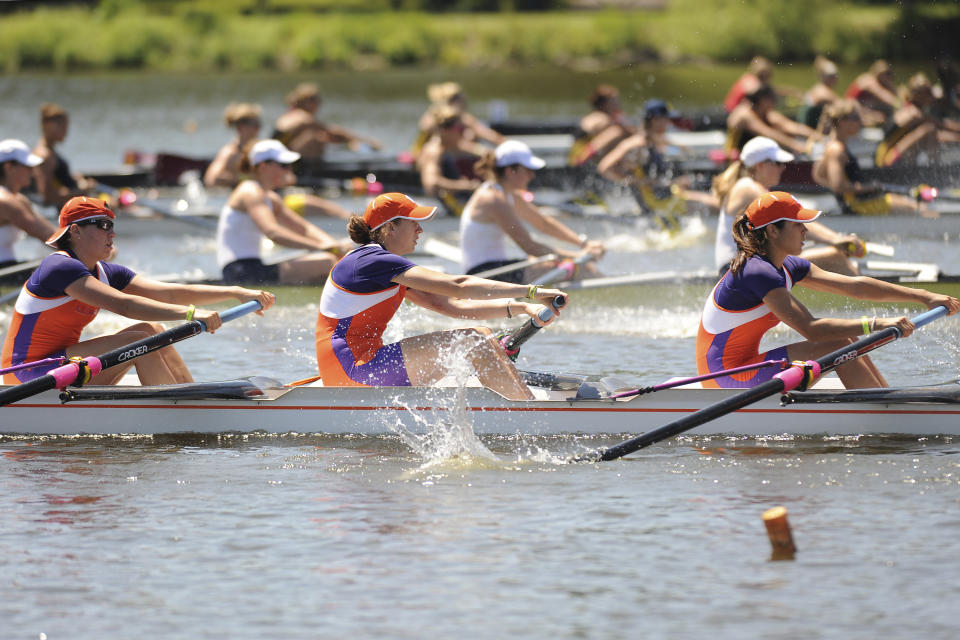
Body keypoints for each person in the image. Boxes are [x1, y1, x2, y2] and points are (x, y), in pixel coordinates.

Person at [315, 192, 567, 401]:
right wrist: (533, 291)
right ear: (390, 227)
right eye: (413, 222)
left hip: (353, 368)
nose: (420, 229)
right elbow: (458, 285)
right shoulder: (372, 262)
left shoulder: (381, 266)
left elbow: (450, 305)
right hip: (354, 373)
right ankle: (532, 417)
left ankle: (519, 406)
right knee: (475, 341)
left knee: (483, 338)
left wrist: (523, 308)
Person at [697, 191, 959, 389]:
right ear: (773, 231)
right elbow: (811, 328)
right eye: (798, 224)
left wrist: (924, 296)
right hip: (723, 378)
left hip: (749, 364)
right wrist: (878, 323)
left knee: (847, 341)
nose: (806, 230)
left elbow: (857, 287)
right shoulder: (757, 271)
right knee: (834, 343)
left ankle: (885, 398)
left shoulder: (787, 265)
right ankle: (880, 413)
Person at [1, 196, 275, 386]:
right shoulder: (58, 266)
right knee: (138, 342)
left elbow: (169, 293)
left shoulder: (107, 272)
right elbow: (125, 306)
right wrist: (191, 314)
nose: (112, 233)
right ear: (75, 231)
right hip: (27, 374)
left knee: (149, 330)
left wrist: (235, 291)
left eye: (113, 225)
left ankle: (188, 397)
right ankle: (175, 414)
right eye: (103, 224)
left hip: (60, 364)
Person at [458, 140, 605, 283]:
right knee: (578, 267)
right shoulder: (493, 199)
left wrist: (583, 244)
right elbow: (529, 246)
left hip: (497, 268)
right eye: (527, 170)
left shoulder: (507, 194)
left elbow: (543, 223)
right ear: (510, 171)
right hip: (482, 276)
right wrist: (577, 257)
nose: (532, 176)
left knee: (574, 266)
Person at [713, 136, 860, 277]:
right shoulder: (747, 187)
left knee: (820, 254)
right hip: (735, 269)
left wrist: (831, 240)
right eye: (777, 163)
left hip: (747, 266)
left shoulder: (749, 187)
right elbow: (793, 221)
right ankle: (867, 297)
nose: (783, 168)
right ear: (760, 166)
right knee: (835, 257)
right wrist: (836, 239)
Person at [216, 139, 353, 285]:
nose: (289, 170)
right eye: (284, 165)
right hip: (239, 272)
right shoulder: (250, 191)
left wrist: (333, 245)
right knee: (327, 262)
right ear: (263, 167)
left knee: (334, 258)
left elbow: (304, 228)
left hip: (254, 267)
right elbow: (273, 232)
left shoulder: (270, 198)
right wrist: (321, 247)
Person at [205, 102, 351, 219]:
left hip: (273, 198)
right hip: (249, 204)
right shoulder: (230, 152)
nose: (258, 128)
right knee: (322, 208)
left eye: (259, 124)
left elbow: (290, 178)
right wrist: (247, 178)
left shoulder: (260, 147)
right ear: (241, 127)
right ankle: (354, 228)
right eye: (255, 124)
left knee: (328, 207)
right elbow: (211, 180)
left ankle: (354, 222)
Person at [597, 99, 717, 216]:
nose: (669, 123)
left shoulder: (652, 139)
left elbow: (664, 142)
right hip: (656, 204)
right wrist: (637, 181)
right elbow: (604, 168)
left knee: (713, 199)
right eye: (667, 119)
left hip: (666, 195)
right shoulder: (636, 144)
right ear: (655, 120)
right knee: (716, 205)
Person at [812, 99, 930, 216]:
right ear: (842, 122)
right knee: (920, 208)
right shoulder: (837, 150)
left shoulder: (832, 146)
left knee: (911, 203)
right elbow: (838, 186)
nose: (860, 122)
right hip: (858, 206)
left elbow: (817, 174)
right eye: (856, 118)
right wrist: (868, 187)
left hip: (860, 202)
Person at [273, 82, 382, 161]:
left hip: (283, 155)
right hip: (284, 161)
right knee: (317, 138)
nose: (318, 103)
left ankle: (355, 150)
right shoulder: (301, 116)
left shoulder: (291, 114)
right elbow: (334, 131)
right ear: (303, 101)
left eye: (318, 99)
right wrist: (368, 141)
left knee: (321, 136)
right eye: (314, 99)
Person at [873, 73, 960, 167]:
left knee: (931, 133)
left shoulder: (910, 109)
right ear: (916, 95)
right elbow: (943, 125)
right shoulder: (913, 113)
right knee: (929, 130)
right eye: (927, 91)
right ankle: (934, 168)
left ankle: (933, 167)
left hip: (889, 158)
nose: (931, 95)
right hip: (887, 161)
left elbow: (940, 136)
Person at [0, 139, 57, 272]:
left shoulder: (19, 199)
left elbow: (50, 231)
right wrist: (89, 249)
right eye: (28, 167)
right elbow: (47, 237)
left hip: (8, 267)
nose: (33, 172)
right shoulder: (5, 201)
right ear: (9, 167)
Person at [417, 104, 485, 212]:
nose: (464, 133)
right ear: (447, 130)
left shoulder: (450, 144)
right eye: (461, 129)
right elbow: (431, 183)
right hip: (443, 204)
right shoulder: (434, 151)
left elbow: (479, 151)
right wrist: (465, 186)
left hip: (456, 198)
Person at [412, 82, 505, 159]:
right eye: (459, 97)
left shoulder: (464, 118)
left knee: (470, 135)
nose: (464, 99)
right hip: (429, 157)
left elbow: (489, 135)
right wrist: (483, 151)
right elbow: (451, 142)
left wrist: (505, 143)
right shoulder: (433, 116)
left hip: (454, 154)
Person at [726, 84, 816, 158]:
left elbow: (792, 127)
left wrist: (820, 137)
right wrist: (796, 145)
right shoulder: (745, 114)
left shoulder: (766, 113)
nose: (775, 102)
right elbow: (768, 133)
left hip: (754, 158)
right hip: (733, 158)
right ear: (763, 100)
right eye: (772, 99)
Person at [32, 103, 93, 208]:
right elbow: (48, 197)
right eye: (63, 127)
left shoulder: (50, 152)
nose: (66, 132)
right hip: (60, 210)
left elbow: (57, 184)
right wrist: (82, 191)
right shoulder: (45, 156)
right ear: (49, 126)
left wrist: (76, 180)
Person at [568, 84, 635, 167]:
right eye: (614, 101)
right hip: (580, 156)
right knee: (616, 132)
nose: (618, 104)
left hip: (587, 153)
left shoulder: (609, 117)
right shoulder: (600, 117)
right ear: (605, 103)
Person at [845, 59, 901, 127]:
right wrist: (901, 105)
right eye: (886, 74)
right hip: (850, 112)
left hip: (862, 110)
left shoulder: (879, 82)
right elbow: (886, 98)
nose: (888, 77)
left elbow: (896, 94)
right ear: (877, 73)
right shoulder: (868, 80)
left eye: (889, 74)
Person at [801, 55, 841, 129]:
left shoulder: (817, 88)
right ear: (821, 76)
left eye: (836, 75)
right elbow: (843, 107)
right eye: (831, 76)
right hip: (811, 132)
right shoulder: (822, 92)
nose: (834, 78)